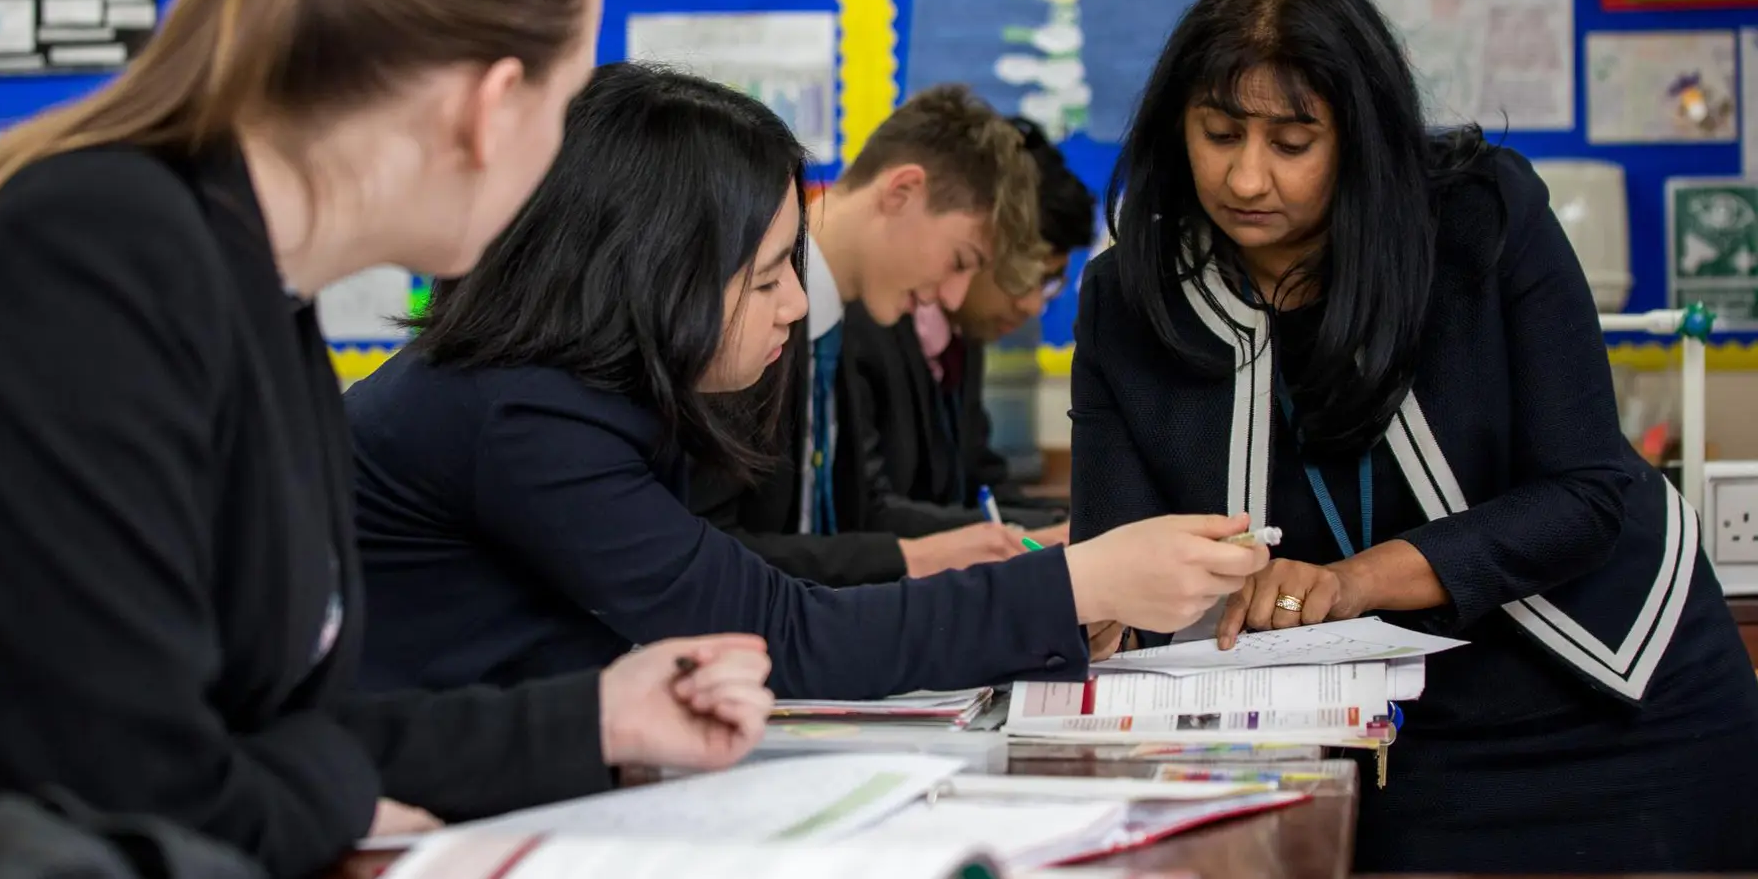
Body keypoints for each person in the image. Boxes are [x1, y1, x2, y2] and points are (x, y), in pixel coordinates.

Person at [0, 0, 774, 879]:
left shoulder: (257, 288)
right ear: (492, 104)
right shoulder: (95, 254)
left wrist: (597, 720)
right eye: (565, 105)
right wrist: (332, 783)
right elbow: (135, 784)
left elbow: (272, 735)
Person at [1070, 0, 1758, 873]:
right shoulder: (1131, 294)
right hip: (1362, 729)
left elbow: (1586, 494)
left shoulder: (1481, 218)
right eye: (1219, 133)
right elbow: (1120, 553)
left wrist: (1353, 580)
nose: (1245, 178)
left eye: (1291, 142)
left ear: (1358, 136)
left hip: (1608, 690)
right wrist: (1097, 608)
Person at [349, 61, 1269, 700]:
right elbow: (777, 633)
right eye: (765, 278)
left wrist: (1068, 596)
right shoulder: (529, 414)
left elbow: (742, 596)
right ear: (649, 272)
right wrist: (1075, 584)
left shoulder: (586, 391)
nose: (795, 304)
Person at [690, 85, 1058, 587]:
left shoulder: (836, 326)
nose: (952, 298)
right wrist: (915, 558)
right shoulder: (747, 320)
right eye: (960, 261)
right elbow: (712, 550)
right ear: (902, 192)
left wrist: (993, 539)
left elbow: (857, 514)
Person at [846, 117, 1094, 522]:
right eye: (1029, 277)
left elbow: (982, 484)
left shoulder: (960, 339)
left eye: (1050, 285)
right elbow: (866, 514)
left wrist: (1065, 531)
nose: (1032, 305)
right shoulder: (869, 322)